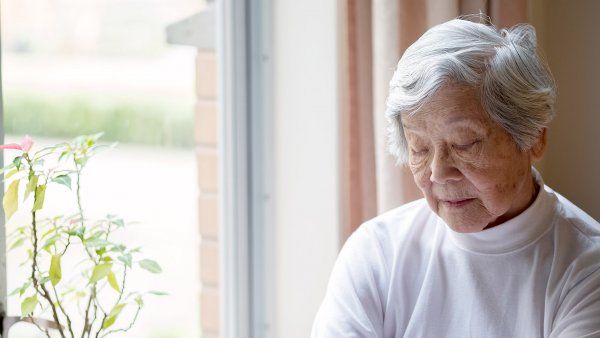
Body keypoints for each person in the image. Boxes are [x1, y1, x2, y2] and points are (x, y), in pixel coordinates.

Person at [310, 18, 600, 338]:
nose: (438, 173)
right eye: (419, 148)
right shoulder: (376, 251)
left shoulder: (587, 268)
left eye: (464, 144)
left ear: (533, 138)